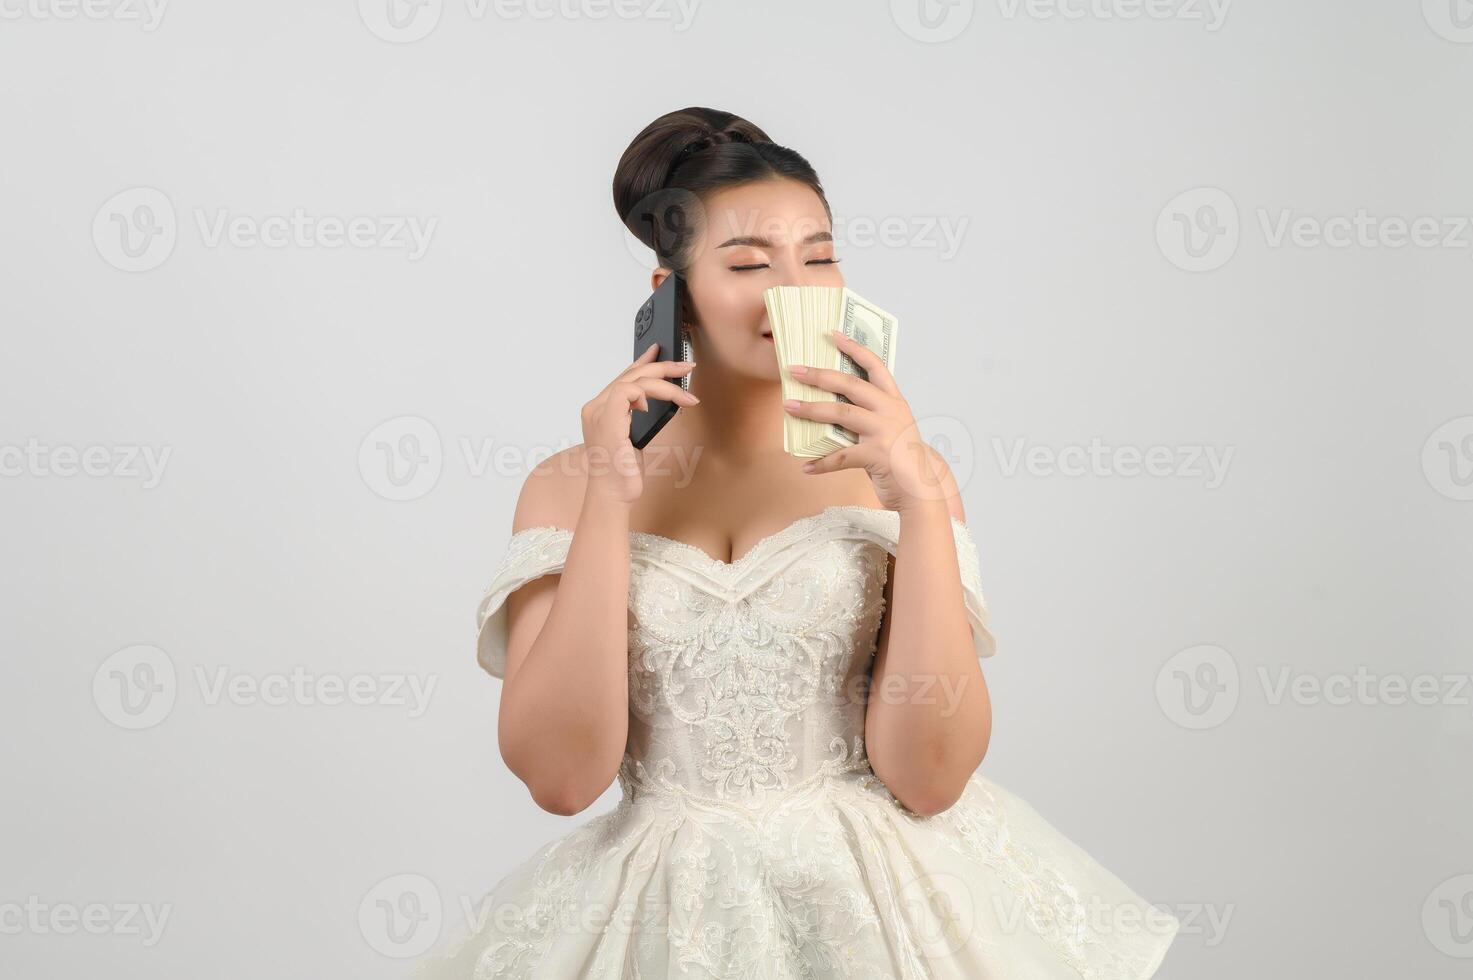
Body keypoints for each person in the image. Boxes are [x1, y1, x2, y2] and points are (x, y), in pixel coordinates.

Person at [414, 106, 1180, 979]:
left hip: (881, 914)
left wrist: (919, 505)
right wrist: (606, 497)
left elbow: (929, 779)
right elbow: (560, 777)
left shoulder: (901, 472)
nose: (796, 291)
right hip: (668, 920)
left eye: (818, 256)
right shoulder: (564, 483)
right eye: (748, 263)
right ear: (670, 292)